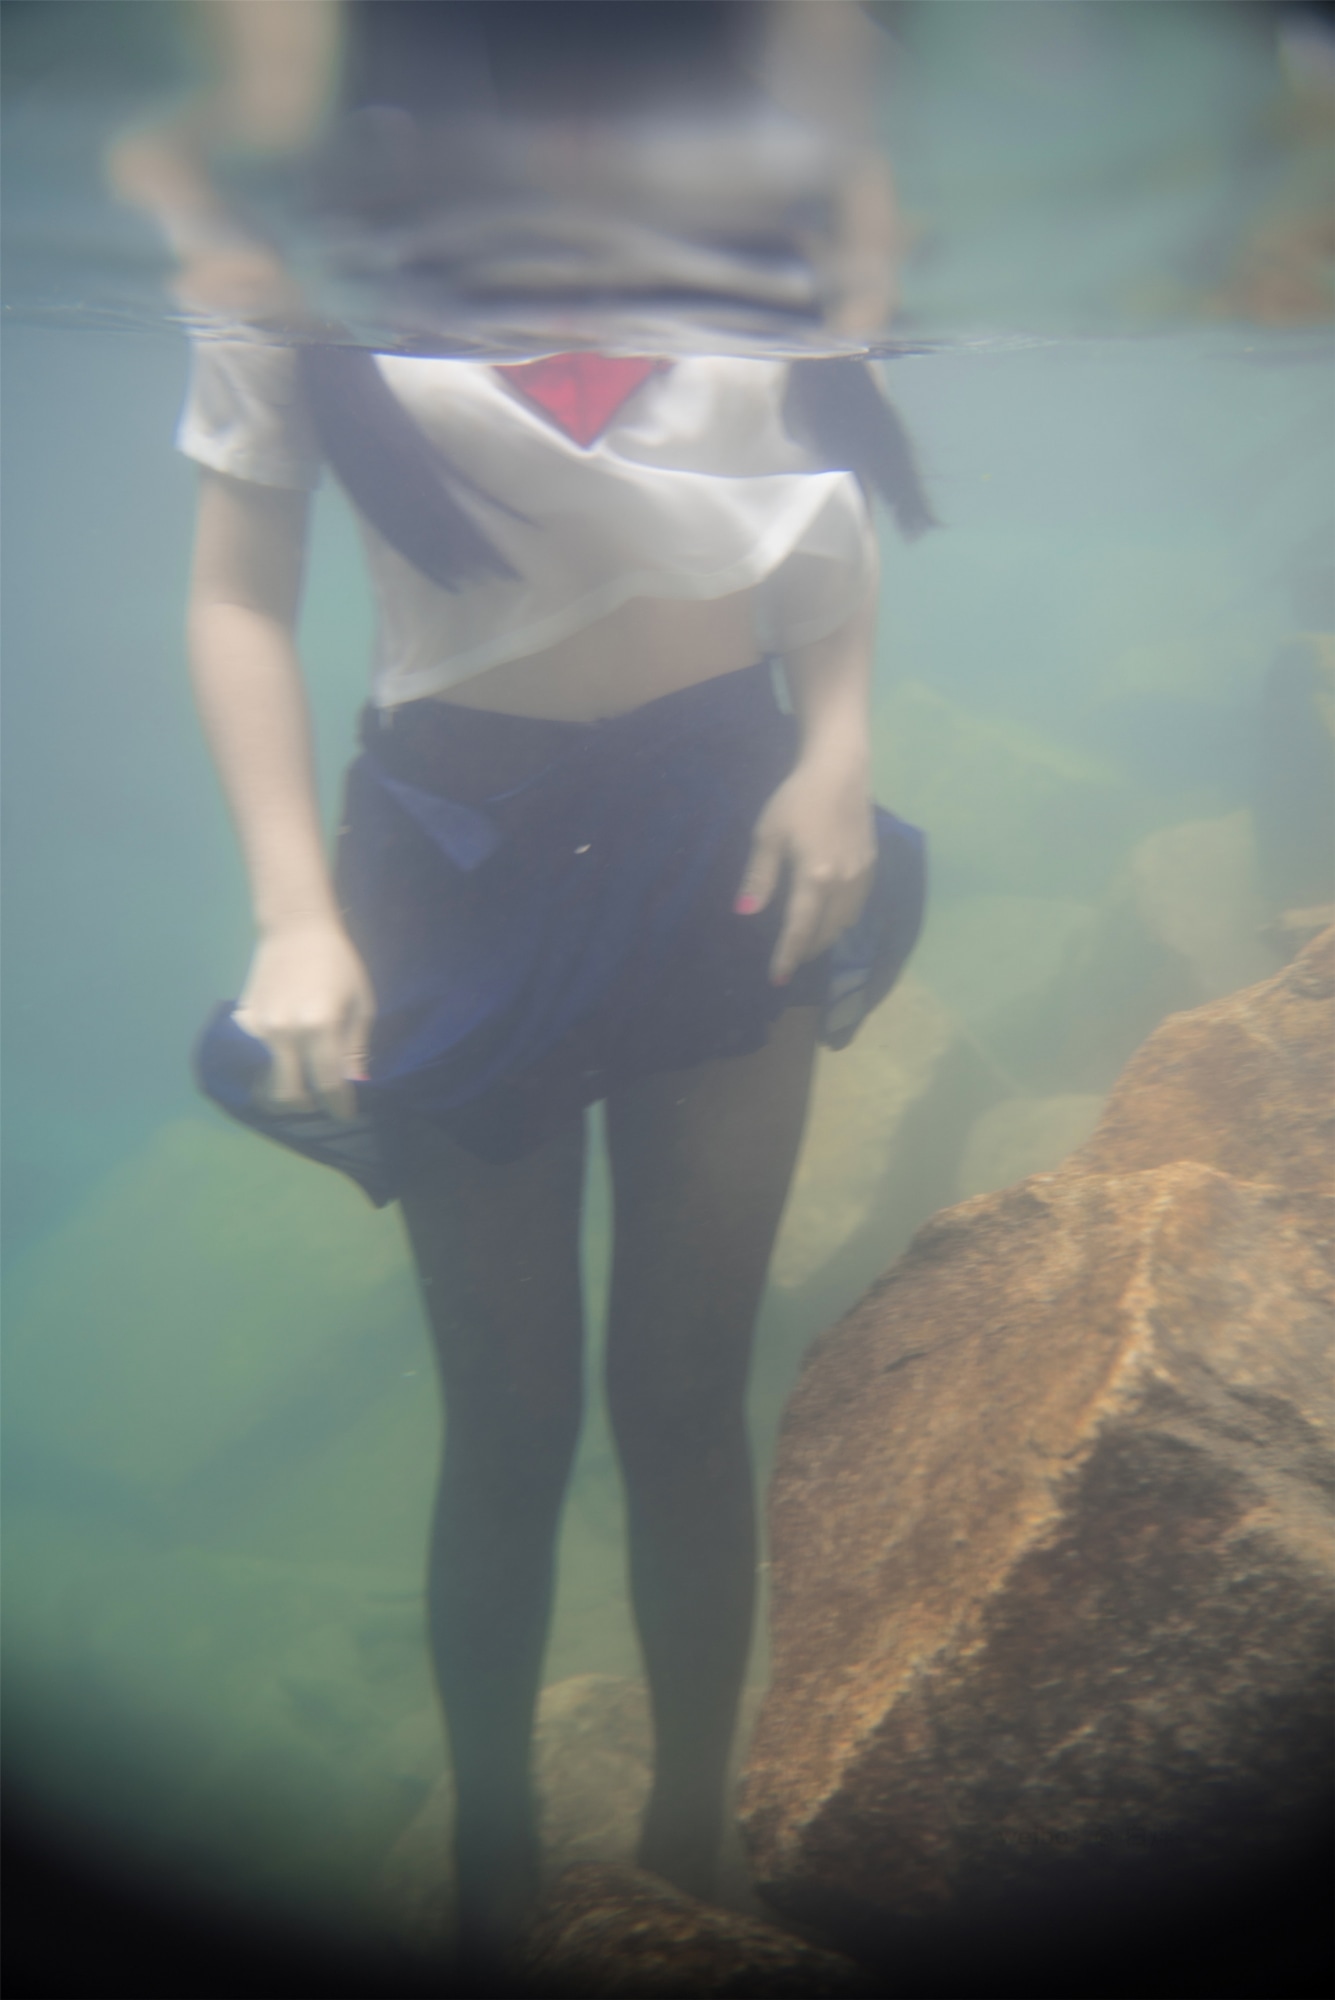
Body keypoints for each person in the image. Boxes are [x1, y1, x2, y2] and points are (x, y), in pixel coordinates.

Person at [119, 1, 929, 1976]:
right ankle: (493, 1866)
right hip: (451, 852)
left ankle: (689, 1842)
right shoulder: (308, 242)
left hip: (727, 825)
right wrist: (294, 913)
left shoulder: (760, 203)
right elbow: (236, 593)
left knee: (684, 1392)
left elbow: (822, 515)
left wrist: (838, 745)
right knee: (506, 1412)